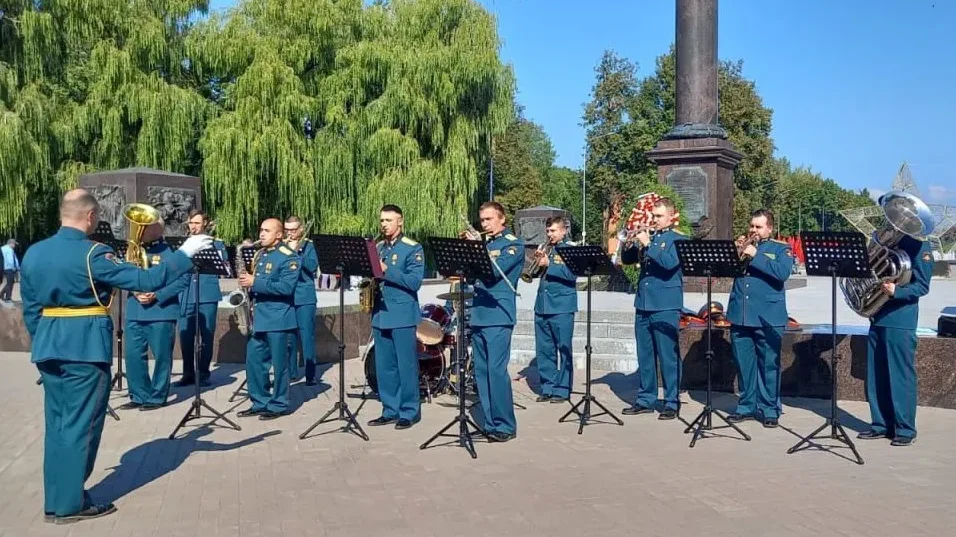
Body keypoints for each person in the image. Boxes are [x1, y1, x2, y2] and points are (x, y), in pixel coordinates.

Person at [20, 189, 211, 524]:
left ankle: (56, 498)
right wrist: (184, 254)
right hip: (85, 348)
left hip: (49, 348)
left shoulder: (34, 253)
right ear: (91, 217)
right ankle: (69, 504)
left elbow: (32, 310)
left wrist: (43, 344)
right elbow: (146, 279)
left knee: (58, 426)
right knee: (82, 426)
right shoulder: (94, 253)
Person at [858, 211, 934, 446]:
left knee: (900, 375)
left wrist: (897, 292)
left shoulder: (919, 245)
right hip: (877, 315)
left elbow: (922, 286)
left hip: (900, 320)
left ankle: (904, 428)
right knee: (875, 375)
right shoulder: (882, 238)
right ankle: (880, 424)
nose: (897, 221)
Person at [725, 209, 794, 428]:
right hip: (741, 314)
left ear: (770, 228)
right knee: (744, 365)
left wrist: (756, 255)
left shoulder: (781, 249)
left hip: (767, 316)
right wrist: (734, 253)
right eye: (752, 226)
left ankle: (769, 408)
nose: (753, 230)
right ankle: (746, 405)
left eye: (759, 226)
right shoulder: (743, 246)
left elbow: (782, 273)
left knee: (769, 365)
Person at [620, 197, 687, 420]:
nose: (654, 220)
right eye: (653, 216)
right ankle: (645, 399)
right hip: (644, 303)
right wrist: (628, 242)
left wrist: (648, 244)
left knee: (668, 355)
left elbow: (669, 264)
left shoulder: (678, 239)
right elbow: (627, 260)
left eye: (659, 216)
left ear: (671, 217)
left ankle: (671, 401)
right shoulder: (650, 236)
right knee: (645, 355)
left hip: (666, 305)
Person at [467, 201, 524, 441]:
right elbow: (470, 274)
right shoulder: (487, 244)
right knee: (481, 372)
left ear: (502, 219)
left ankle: (505, 425)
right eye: (482, 220)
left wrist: (476, 250)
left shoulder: (513, 244)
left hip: (499, 315)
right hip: (479, 313)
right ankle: (490, 423)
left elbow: (492, 273)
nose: (485, 224)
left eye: (489, 219)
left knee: (495, 371)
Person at [366, 204, 425, 430]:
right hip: (380, 312)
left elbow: (414, 282)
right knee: (384, 366)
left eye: (389, 220)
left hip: (401, 314)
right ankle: (389, 409)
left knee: (406, 365)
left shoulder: (413, 248)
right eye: (382, 220)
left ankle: (409, 411)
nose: (384, 224)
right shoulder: (379, 247)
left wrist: (385, 270)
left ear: (400, 221)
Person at [121, 219, 190, 410]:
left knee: (162, 357)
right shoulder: (132, 251)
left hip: (161, 312)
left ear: (158, 229)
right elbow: (123, 274)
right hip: (135, 310)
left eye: (147, 226)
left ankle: (158, 396)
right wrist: (134, 290)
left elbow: (183, 279)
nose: (141, 229)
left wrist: (157, 295)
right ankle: (138, 394)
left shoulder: (170, 252)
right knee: (133, 355)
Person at [236, 218, 300, 420]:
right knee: (254, 363)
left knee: (279, 366)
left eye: (267, 231)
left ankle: (279, 404)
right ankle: (259, 401)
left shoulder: (289, 257)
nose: (261, 234)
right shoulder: (260, 254)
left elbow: (286, 288)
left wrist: (256, 281)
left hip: (279, 319)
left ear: (279, 235)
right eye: (261, 230)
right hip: (259, 318)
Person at [176, 210, 228, 387]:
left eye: (197, 223)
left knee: (206, 335)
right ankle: (188, 373)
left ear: (205, 223)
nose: (193, 226)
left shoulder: (215, 244)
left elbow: (223, 263)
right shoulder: (182, 244)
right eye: (191, 223)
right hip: (186, 294)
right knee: (185, 336)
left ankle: (204, 373)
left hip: (207, 294)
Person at [532, 216, 578, 403]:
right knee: (544, 349)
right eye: (548, 231)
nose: (549, 234)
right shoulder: (546, 248)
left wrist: (549, 265)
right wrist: (536, 261)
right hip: (542, 305)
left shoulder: (571, 250)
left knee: (564, 348)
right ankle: (547, 386)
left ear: (563, 230)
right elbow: (534, 273)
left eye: (553, 231)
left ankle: (563, 388)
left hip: (562, 306)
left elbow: (571, 275)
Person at [284, 216, 319, 385]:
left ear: (301, 229)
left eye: (293, 230)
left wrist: (297, 253)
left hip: (304, 296)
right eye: (287, 230)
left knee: (306, 337)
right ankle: (291, 373)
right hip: (286, 296)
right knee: (289, 337)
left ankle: (311, 374)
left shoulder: (309, 245)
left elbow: (312, 266)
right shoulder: (281, 245)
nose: (289, 233)